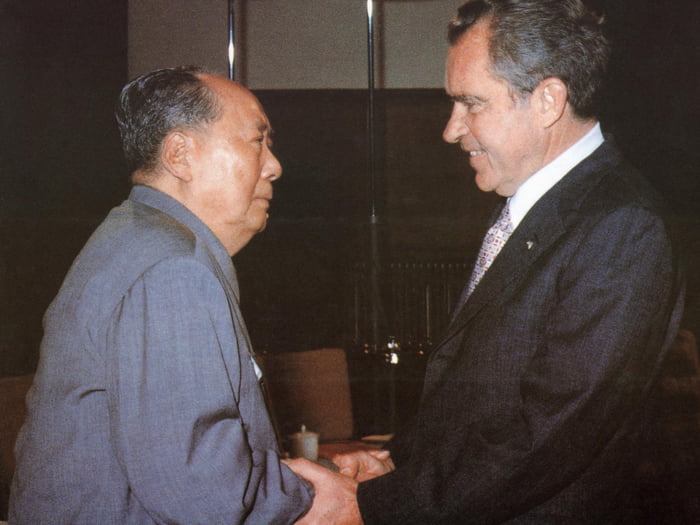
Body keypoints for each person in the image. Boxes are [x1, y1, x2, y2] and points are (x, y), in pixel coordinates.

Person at [285, 0, 685, 522]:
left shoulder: (622, 227)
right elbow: (481, 398)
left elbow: (548, 436)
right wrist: (395, 462)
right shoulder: (540, 208)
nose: (452, 129)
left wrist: (374, 507)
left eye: (471, 103)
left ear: (547, 101)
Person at [10, 66, 315, 524]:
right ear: (180, 154)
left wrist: (298, 474)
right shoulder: (173, 269)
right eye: (257, 141)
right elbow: (202, 498)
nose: (274, 165)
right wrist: (312, 491)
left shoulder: (139, 238)